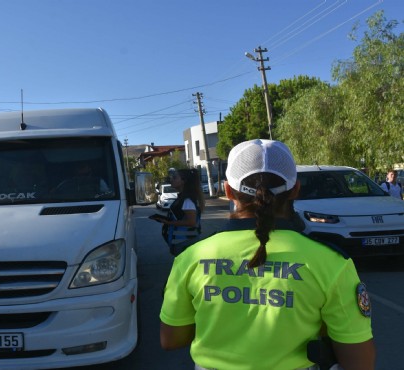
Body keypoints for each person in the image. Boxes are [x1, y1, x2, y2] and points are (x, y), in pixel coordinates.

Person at [160, 139, 375, 370]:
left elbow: (171, 339)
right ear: (295, 189)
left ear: (228, 190)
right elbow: (360, 362)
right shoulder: (332, 262)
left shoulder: (191, 257)